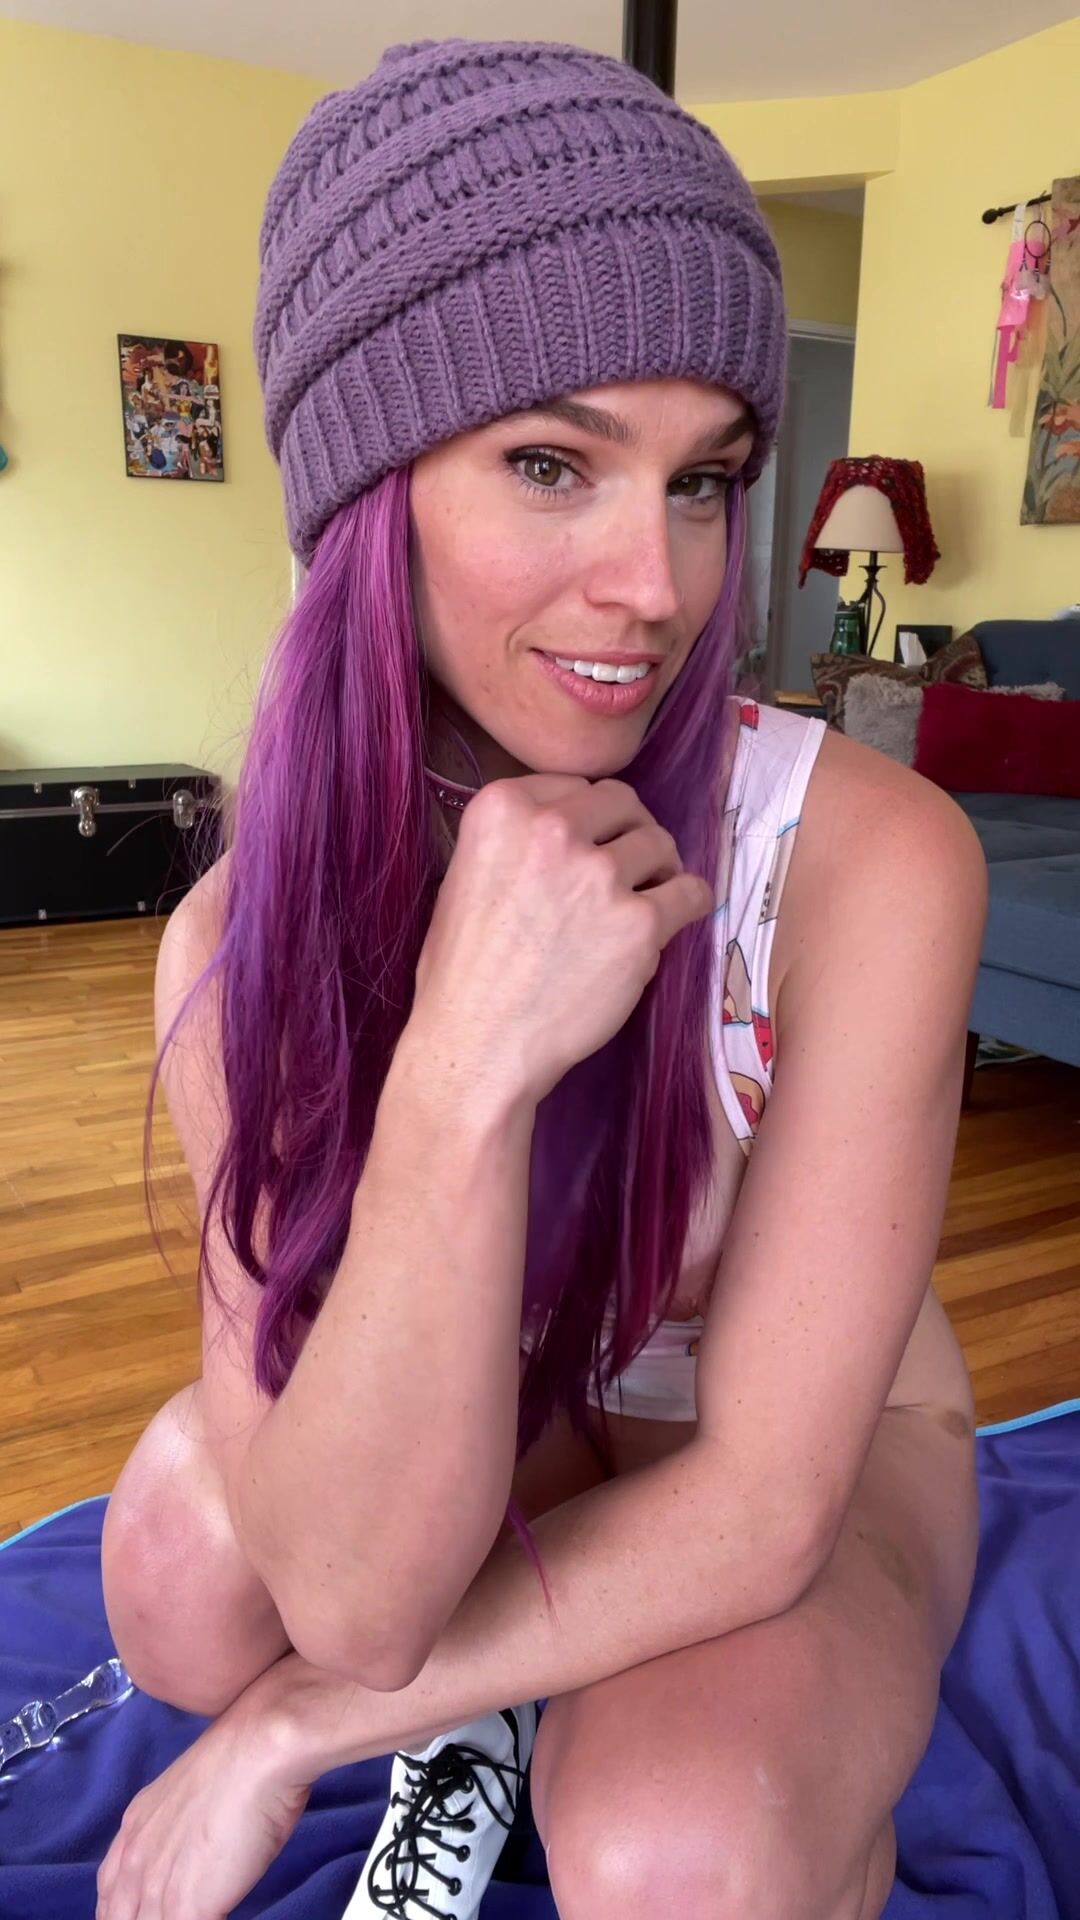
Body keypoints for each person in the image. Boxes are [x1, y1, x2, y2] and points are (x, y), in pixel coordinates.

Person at [95, 36, 988, 1920]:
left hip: (782, 1471)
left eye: (703, 480)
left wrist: (286, 1733)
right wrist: (462, 1067)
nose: (657, 585)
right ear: (370, 495)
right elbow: (346, 1591)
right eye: (551, 462)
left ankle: (563, 1726)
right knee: (178, 1581)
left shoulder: (867, 864)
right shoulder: (236, 939)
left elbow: (764, 1501)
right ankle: (502, 1699)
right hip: (502, 1418)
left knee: (681, 1843)